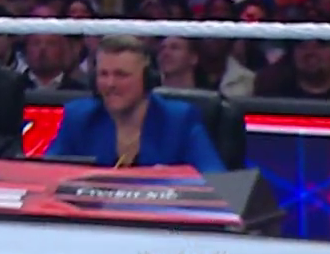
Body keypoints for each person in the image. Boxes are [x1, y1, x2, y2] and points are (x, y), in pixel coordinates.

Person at [47, 35, 226, 171]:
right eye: (103, 74)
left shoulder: (178, 120)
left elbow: (215, 179)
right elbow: (47, 173)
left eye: (121, 75)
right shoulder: (79, 117)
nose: (110, 84)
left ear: (147, 79)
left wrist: (172, 182)